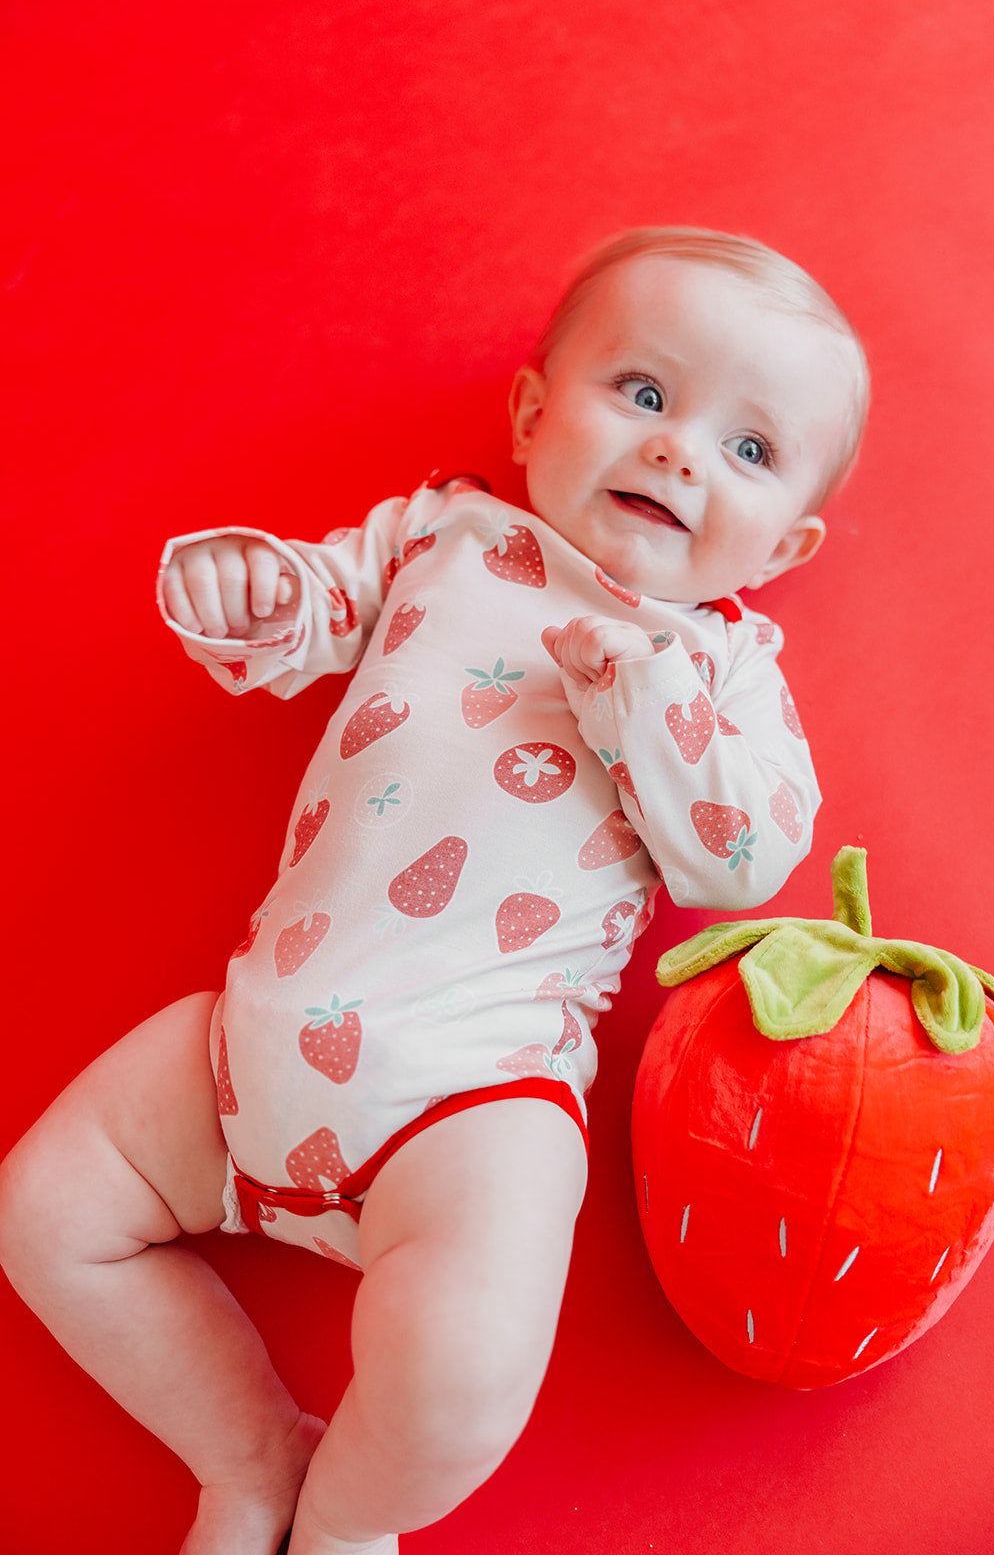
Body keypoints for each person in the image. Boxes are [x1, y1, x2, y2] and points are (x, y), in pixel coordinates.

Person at [0, 227, 869, 1555]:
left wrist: (646, 705)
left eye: (749, 451)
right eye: (642, 393)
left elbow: (745, 860)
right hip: (252, 1039)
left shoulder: (719, 666)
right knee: (45, 1216)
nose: (680, 450)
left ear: (788, 541)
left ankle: (347, 1524)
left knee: (461, 1369)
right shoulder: (446, 534)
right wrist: (255, 591)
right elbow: (310, 616)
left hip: (476, 1091)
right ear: (531, 414)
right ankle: (246, 1456)